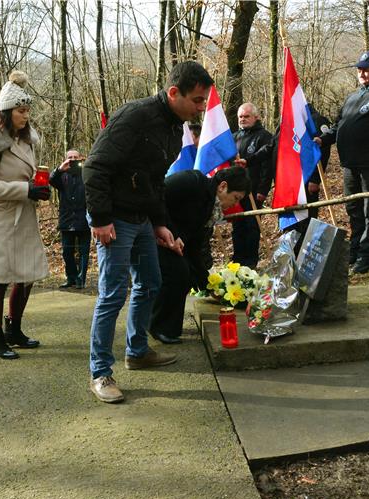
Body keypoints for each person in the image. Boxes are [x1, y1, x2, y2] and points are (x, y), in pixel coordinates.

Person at [83, 61, 214, 403]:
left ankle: (137, 351)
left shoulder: (175, 127)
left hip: (142, 218)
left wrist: (161, 225)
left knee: (151, 282)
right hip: (114, 218)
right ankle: (100, 372)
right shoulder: (135, 116)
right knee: (113, 294)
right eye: (197, 100)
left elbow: (155, 182)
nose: (202, 108)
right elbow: (94, 166)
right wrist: (100, 219)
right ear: (174, 93)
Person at [0, 70, 49, 360]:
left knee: (26, 276)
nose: (25, 115)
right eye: (20, 110)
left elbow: (28, 176)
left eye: (28, 110)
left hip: (24, 215)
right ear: (6, 111)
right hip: (0, 218)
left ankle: (13, 329)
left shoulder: (26, 141)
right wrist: (24, 189)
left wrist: (47, 181)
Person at [150, 167, 251, 343]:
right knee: (176, 272)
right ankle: (158, 326)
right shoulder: (192, 182)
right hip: (152, 231)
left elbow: (196, 246)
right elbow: (158, 196)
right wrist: (168, 230)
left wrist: (208, 283)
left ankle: (170, 329)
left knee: (186, 273)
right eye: (236, 198)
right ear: (223, 186)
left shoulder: (210, 208)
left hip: (172, 242)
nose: (235, 204)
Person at [318, 50, 369, 274]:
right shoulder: (353, 97)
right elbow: (340, 126)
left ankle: (367, 257)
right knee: (353, 209)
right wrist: (323, 138)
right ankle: (355, 250)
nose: (362, 72)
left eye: (367, 68)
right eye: (359, 68)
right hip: (349, 164)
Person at [233, 103, 273, 269]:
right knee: (237, 226)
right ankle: (237, 260)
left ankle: (250, 262)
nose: (243, 119)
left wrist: (263, 189)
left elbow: (267, 165)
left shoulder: (264, 136)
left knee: (251, 226)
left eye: (246, 116)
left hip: (254, 190)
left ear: (256, 117)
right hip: (235, 192)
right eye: (240, 116)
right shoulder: (234, 137)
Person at [50, 149, 91, 289]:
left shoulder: (86, 174)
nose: (73, 160)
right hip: (66, 220)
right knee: (67, 252)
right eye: (70, 157)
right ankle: (71, 277)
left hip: (83, 219)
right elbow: (51, 180)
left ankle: (81, 279)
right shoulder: (62, 176)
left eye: (75, 157)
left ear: (81, 158)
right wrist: (59, 169)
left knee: (83, 252)